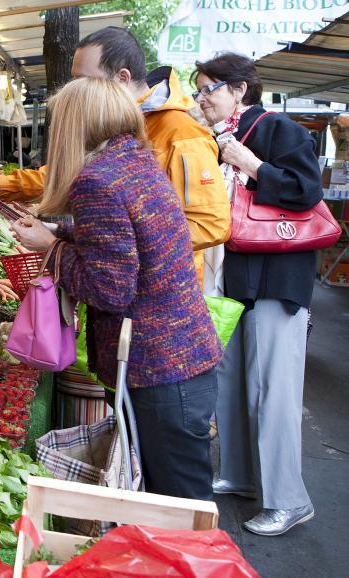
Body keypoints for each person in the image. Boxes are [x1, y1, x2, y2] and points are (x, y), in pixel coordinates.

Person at [10, 77, 223, 501]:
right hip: (180, 360)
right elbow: (128, 236)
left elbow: (109, 289)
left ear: (75, 124)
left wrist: (51, 246)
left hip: (158, 369)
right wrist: (62, 229)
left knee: (178, 508)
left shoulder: (96, 180)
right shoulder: (136, 161)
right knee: (178, 498)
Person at [0, 27, 230, 285]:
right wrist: (0, 184)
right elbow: (69, 173)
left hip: (162, 289)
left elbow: (211, 224)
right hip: (120, 283)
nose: (75, 90)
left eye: (85, 80)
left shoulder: (181, 133)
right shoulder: (109, 126)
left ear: (122, 78)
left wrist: (108, 242)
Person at [194, 53, 321, 536]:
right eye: (201, 90)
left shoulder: (277, 128)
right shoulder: (217, 138)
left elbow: (307, 191)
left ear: (239, 90)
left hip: (277, 277)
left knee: (274, 388)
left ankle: (289, 499)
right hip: (238, 278)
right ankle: (242, 476)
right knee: (233, 382)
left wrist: (253, 165)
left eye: (209, 89)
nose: (202, 98)